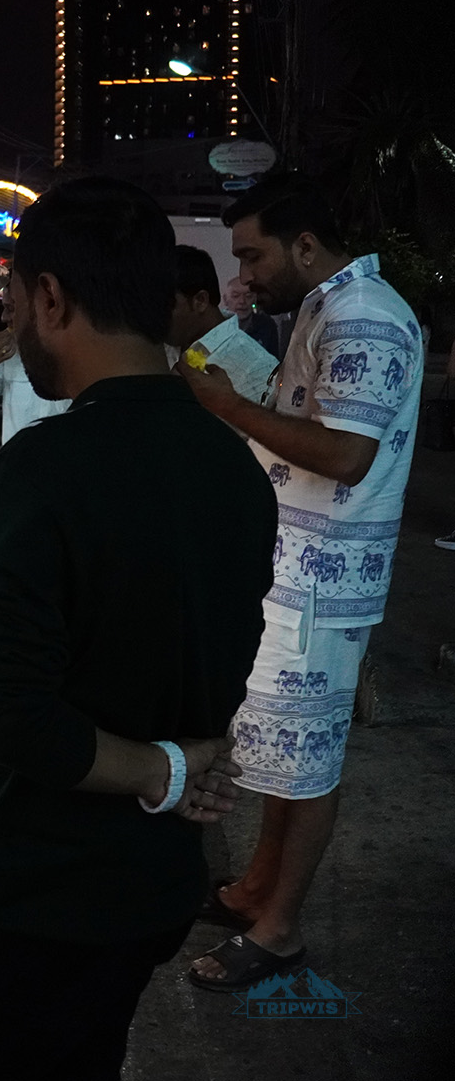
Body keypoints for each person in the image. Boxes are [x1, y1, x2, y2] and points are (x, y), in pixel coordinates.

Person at [0, 177, 278, 1081]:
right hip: (156, 889)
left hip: (41, 896)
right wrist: (187, 766)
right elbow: (219, 652)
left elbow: (13, 716)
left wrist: (168, 768)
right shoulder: (236, 466)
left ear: (52, 297)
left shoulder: (48, 467)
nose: (14, 317)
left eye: (16, 297)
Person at [178, 173, 424, 991]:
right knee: (285, 760)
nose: (245, 270)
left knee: (308, 763)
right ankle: (256, 890)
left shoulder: (366, 319)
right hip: (301, 575)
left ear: (306, 244)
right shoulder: (327, 307)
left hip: (324, 588)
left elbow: (345, 453)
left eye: (253, 253)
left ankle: (279, 931)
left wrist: (223, 405)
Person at [0, 278, 73, 444]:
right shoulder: (9, 351)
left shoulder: (77, 353)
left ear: (39, 308)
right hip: (19, 464)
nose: (4, 317)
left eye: (11, 309)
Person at [167, 244, 279, 406]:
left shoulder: (259, 369)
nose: (155, 316)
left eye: (166, 305)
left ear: (200, 301)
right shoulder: (161, 347)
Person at [225, 275, 282, 358]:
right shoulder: (217, 326)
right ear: (225, 300)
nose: (242, 301)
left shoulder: (266, 325)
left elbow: (274, 362)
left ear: (255, 299)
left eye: (248, 296)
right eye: (236, 296)